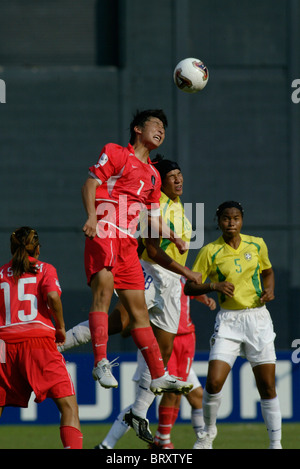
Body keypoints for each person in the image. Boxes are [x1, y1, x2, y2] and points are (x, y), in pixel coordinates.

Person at [81, 109, 193, 395]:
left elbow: (153, 217)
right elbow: (91, 183)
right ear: (137, 129)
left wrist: (174, 237)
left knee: (139, 312)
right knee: (103, 294)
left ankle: (158, 375)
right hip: (105, 229)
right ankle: (100, 361)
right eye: (155, 125)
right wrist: (92, 216)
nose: (161, 131)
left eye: (164, 129)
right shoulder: (116, 153)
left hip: (129, 242)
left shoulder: (154, 176)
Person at [184, 201, 282, 450]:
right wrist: (213, 286)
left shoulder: (257, 243)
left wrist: (269, 289)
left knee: (267, 386)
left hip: (258, 319)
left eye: (236, 218)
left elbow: (268, 271)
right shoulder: (210, 251)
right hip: (229, 321)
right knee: (214, 382)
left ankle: (275, 444)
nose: (231, 223)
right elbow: (189, 286)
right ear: (218, 221)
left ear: (242, 220)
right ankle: (208, 434)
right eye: (226, 218)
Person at [0, 227, 82, 449]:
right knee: (68, 407)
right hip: (38, 342)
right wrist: (61, 327)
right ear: (36, 247)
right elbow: (53, 296)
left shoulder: (0, 274)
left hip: (3, 346)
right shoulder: (44, 269)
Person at [150, 277, 216, 450]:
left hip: (187, 337)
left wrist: (204, 298)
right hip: (166, 337)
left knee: (185, 392)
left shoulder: (183, 274)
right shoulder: (158, 272)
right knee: (172, 389)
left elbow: (192, 290)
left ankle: (165, 439)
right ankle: (163, 439)